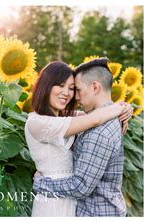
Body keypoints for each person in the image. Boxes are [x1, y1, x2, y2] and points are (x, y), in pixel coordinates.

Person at [25, 60, 132, 216]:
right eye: (60, 85)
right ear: (46, 85)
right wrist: (119, 107)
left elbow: (94, 116)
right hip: (53, 201)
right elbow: (94, 119)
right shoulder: (37, 122)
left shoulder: (66, 118)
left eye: (72, 88)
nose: (69, 94)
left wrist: (124, 107)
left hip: (70, 197)